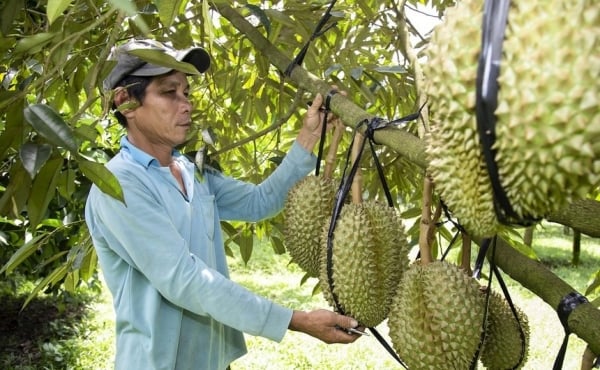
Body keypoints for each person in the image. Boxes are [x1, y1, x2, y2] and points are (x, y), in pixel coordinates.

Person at [84, 39, 361, 370]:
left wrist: (308, 136)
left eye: (186, 93)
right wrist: (296, 320)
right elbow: (185, 279)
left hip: (214, 361)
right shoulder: (118, 185)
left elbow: (261, 202)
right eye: (169, 92)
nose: (185, 104)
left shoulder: (191, 171)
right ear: (125, 101)